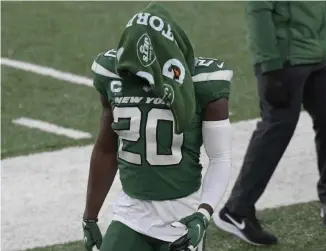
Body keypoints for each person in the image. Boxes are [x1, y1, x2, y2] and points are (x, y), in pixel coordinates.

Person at [81, 3, 233, 251]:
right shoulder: (113, 76)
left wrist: (203, 214)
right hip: (132, 212)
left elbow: (220, 157)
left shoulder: (205, 83)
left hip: (184, 212)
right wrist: (90, 217)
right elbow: (106, 149)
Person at [213, 1, 326, 246]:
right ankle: (237, 210)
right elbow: (258, 10)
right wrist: (269, 67)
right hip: (284, 61)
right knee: (277, 129)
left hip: (320, 55)